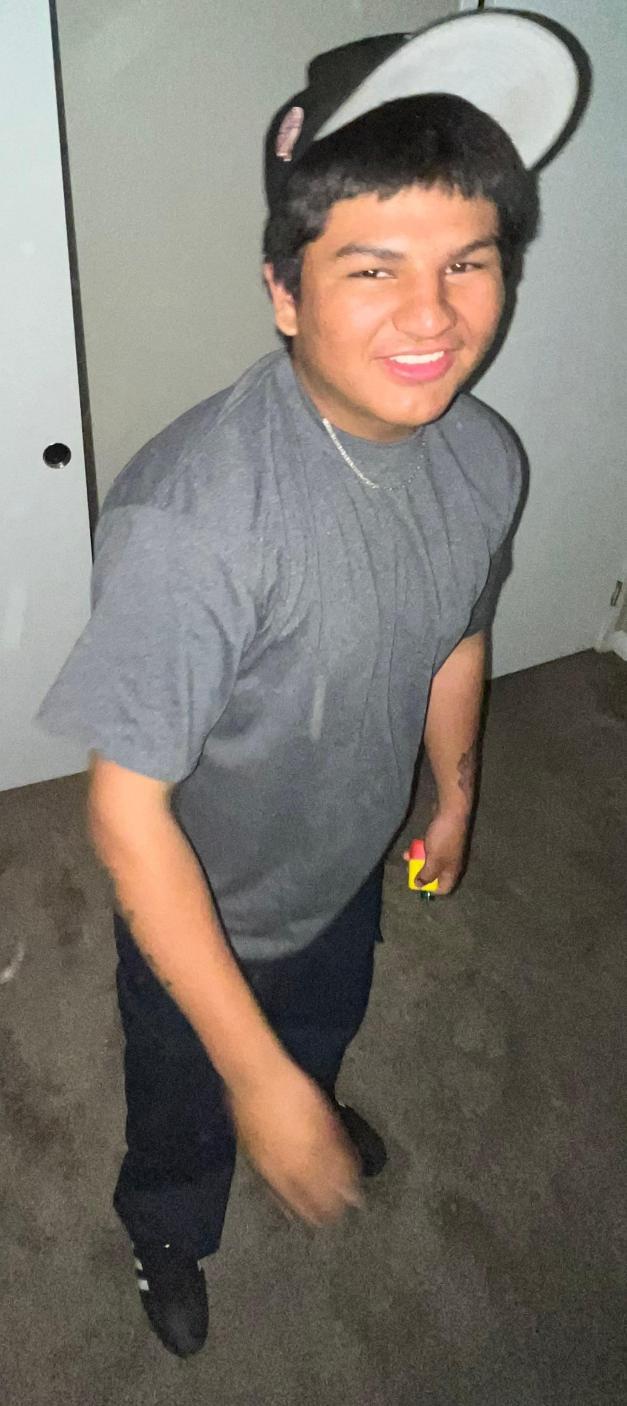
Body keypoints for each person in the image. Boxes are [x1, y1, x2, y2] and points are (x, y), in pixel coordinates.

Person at [38, 11, 578, 1359]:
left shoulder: (485, 457)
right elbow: (126, 818)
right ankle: (168, 1226)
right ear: (285, 292)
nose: (433, 316)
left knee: (325, 1018)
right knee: (187, 1099)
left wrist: (453, 800)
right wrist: (254, 1079)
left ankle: (308, 1085)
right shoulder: (195, 520)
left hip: (345, 866)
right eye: (372, 267)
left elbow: (457, 638)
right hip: (205, 905)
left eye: (468, 262)